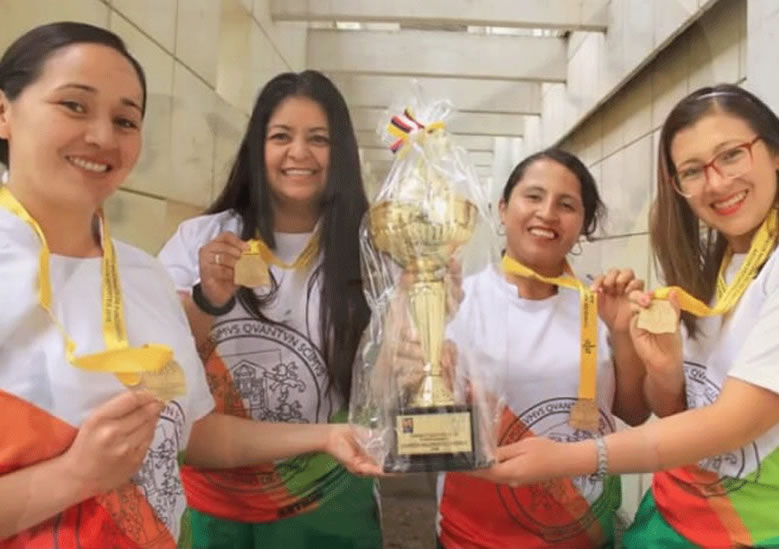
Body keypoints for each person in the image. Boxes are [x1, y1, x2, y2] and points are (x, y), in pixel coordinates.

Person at [0, 22, 375, 549]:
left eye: (126, 119)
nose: (103, 137)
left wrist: (330, 435)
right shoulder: (198, 242)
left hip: (310, 498)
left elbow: (197, 432)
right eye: (74, 105)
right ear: (4, 112)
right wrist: (74, 476)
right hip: (218, 509)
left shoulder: (142, 276)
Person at [478, 84, 779, 548]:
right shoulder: (720, 259)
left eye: (731, 155)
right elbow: (679, 409)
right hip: (678, 513)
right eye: (691, 171)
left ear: (777, 152)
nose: (715, 183)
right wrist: (667, 370)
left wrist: (567, 458)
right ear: (501, 207)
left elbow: (727, 421)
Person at [157, 70, 381, 549]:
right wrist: (209, 299)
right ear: (257, 149)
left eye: (318, 139)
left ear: (340, 153)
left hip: (329, 488)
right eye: (281, 136)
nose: (299, 153)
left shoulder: (370, 248)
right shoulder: (203, 238)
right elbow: (161, 361)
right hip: (213, 493)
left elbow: (387, 372)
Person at [434, 148, 650, 549]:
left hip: (584, 532)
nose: (547, 213)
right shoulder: (458, 301)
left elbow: (634, 413)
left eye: (566, 204)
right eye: (533, 196)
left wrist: (621, 331)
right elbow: (421, 424)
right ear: (503, 208)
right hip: (477, 535)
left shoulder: (599, 303)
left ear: (583, 224)